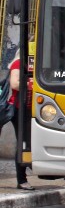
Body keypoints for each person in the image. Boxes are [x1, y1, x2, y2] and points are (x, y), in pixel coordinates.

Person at [8, 50, 33, 190]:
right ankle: (21, 179)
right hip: (19, 109)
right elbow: (14, 84)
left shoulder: (31, 65)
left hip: (29, 108)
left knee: (27, 142)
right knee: (23, 143)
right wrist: (32, 83)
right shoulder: (18, 63)